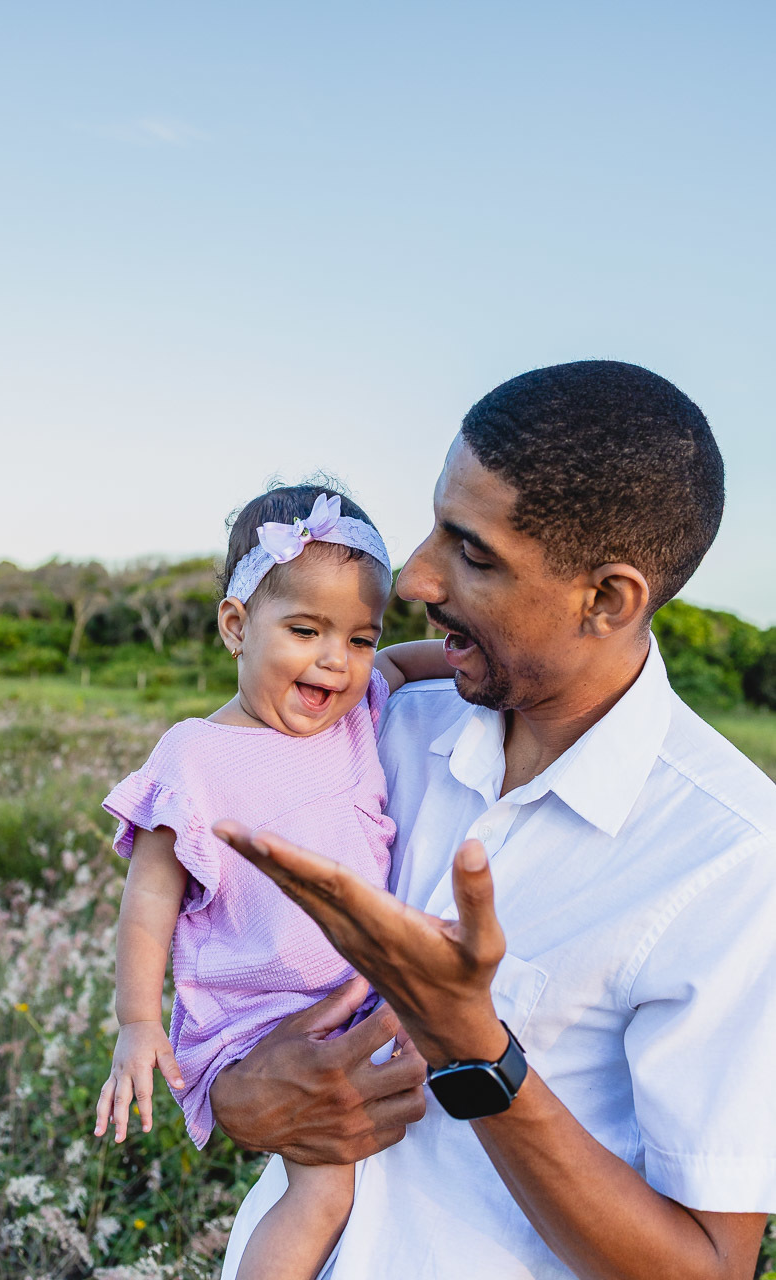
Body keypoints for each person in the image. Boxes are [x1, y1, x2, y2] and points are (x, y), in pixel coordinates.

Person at [211, 360, 776, 1280]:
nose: (417, 575)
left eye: (472, 554)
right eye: (434, 524)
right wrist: (238, 1097)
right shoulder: (379, 732)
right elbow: (242, 992)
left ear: (608, 600)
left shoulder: (732, 859)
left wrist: (472, 1047)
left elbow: (705, 1268)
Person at [93, 483, 451, 1280]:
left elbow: (407, 660)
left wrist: (469, 660)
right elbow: (149, 898)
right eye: (304, 629)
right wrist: (136, 1022)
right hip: (258, 1018)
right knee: (324, 1191)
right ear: (235, 626)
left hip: (354, 998)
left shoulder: (359, 709)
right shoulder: (195, 755)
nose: (336, 659)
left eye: (359, 637)